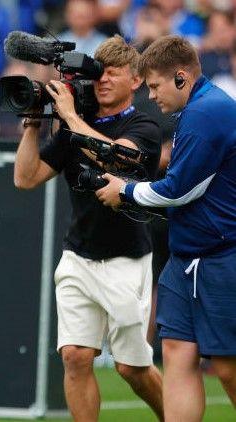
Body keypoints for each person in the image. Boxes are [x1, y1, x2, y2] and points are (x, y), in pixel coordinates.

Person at [13, 35, 164, 421]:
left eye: (115, 74)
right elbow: (26, 178)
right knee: (75, 357)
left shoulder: (143, 125)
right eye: (99, 73)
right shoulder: (71, 125)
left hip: (126, 258)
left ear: (136, 80)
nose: (104, 80)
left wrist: (71, 119)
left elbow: (124, 159)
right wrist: (33, 123)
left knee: (131, 367)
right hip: (78, 254)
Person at [96, 35, 236, 420]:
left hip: (223, 257)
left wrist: (124, 190)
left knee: (227, 366)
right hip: (186, 257)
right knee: (175, 352)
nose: (152, 96)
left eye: (155, 86)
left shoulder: (208, 112)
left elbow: (179, 191)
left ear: (181, 78)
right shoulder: (195, 110)